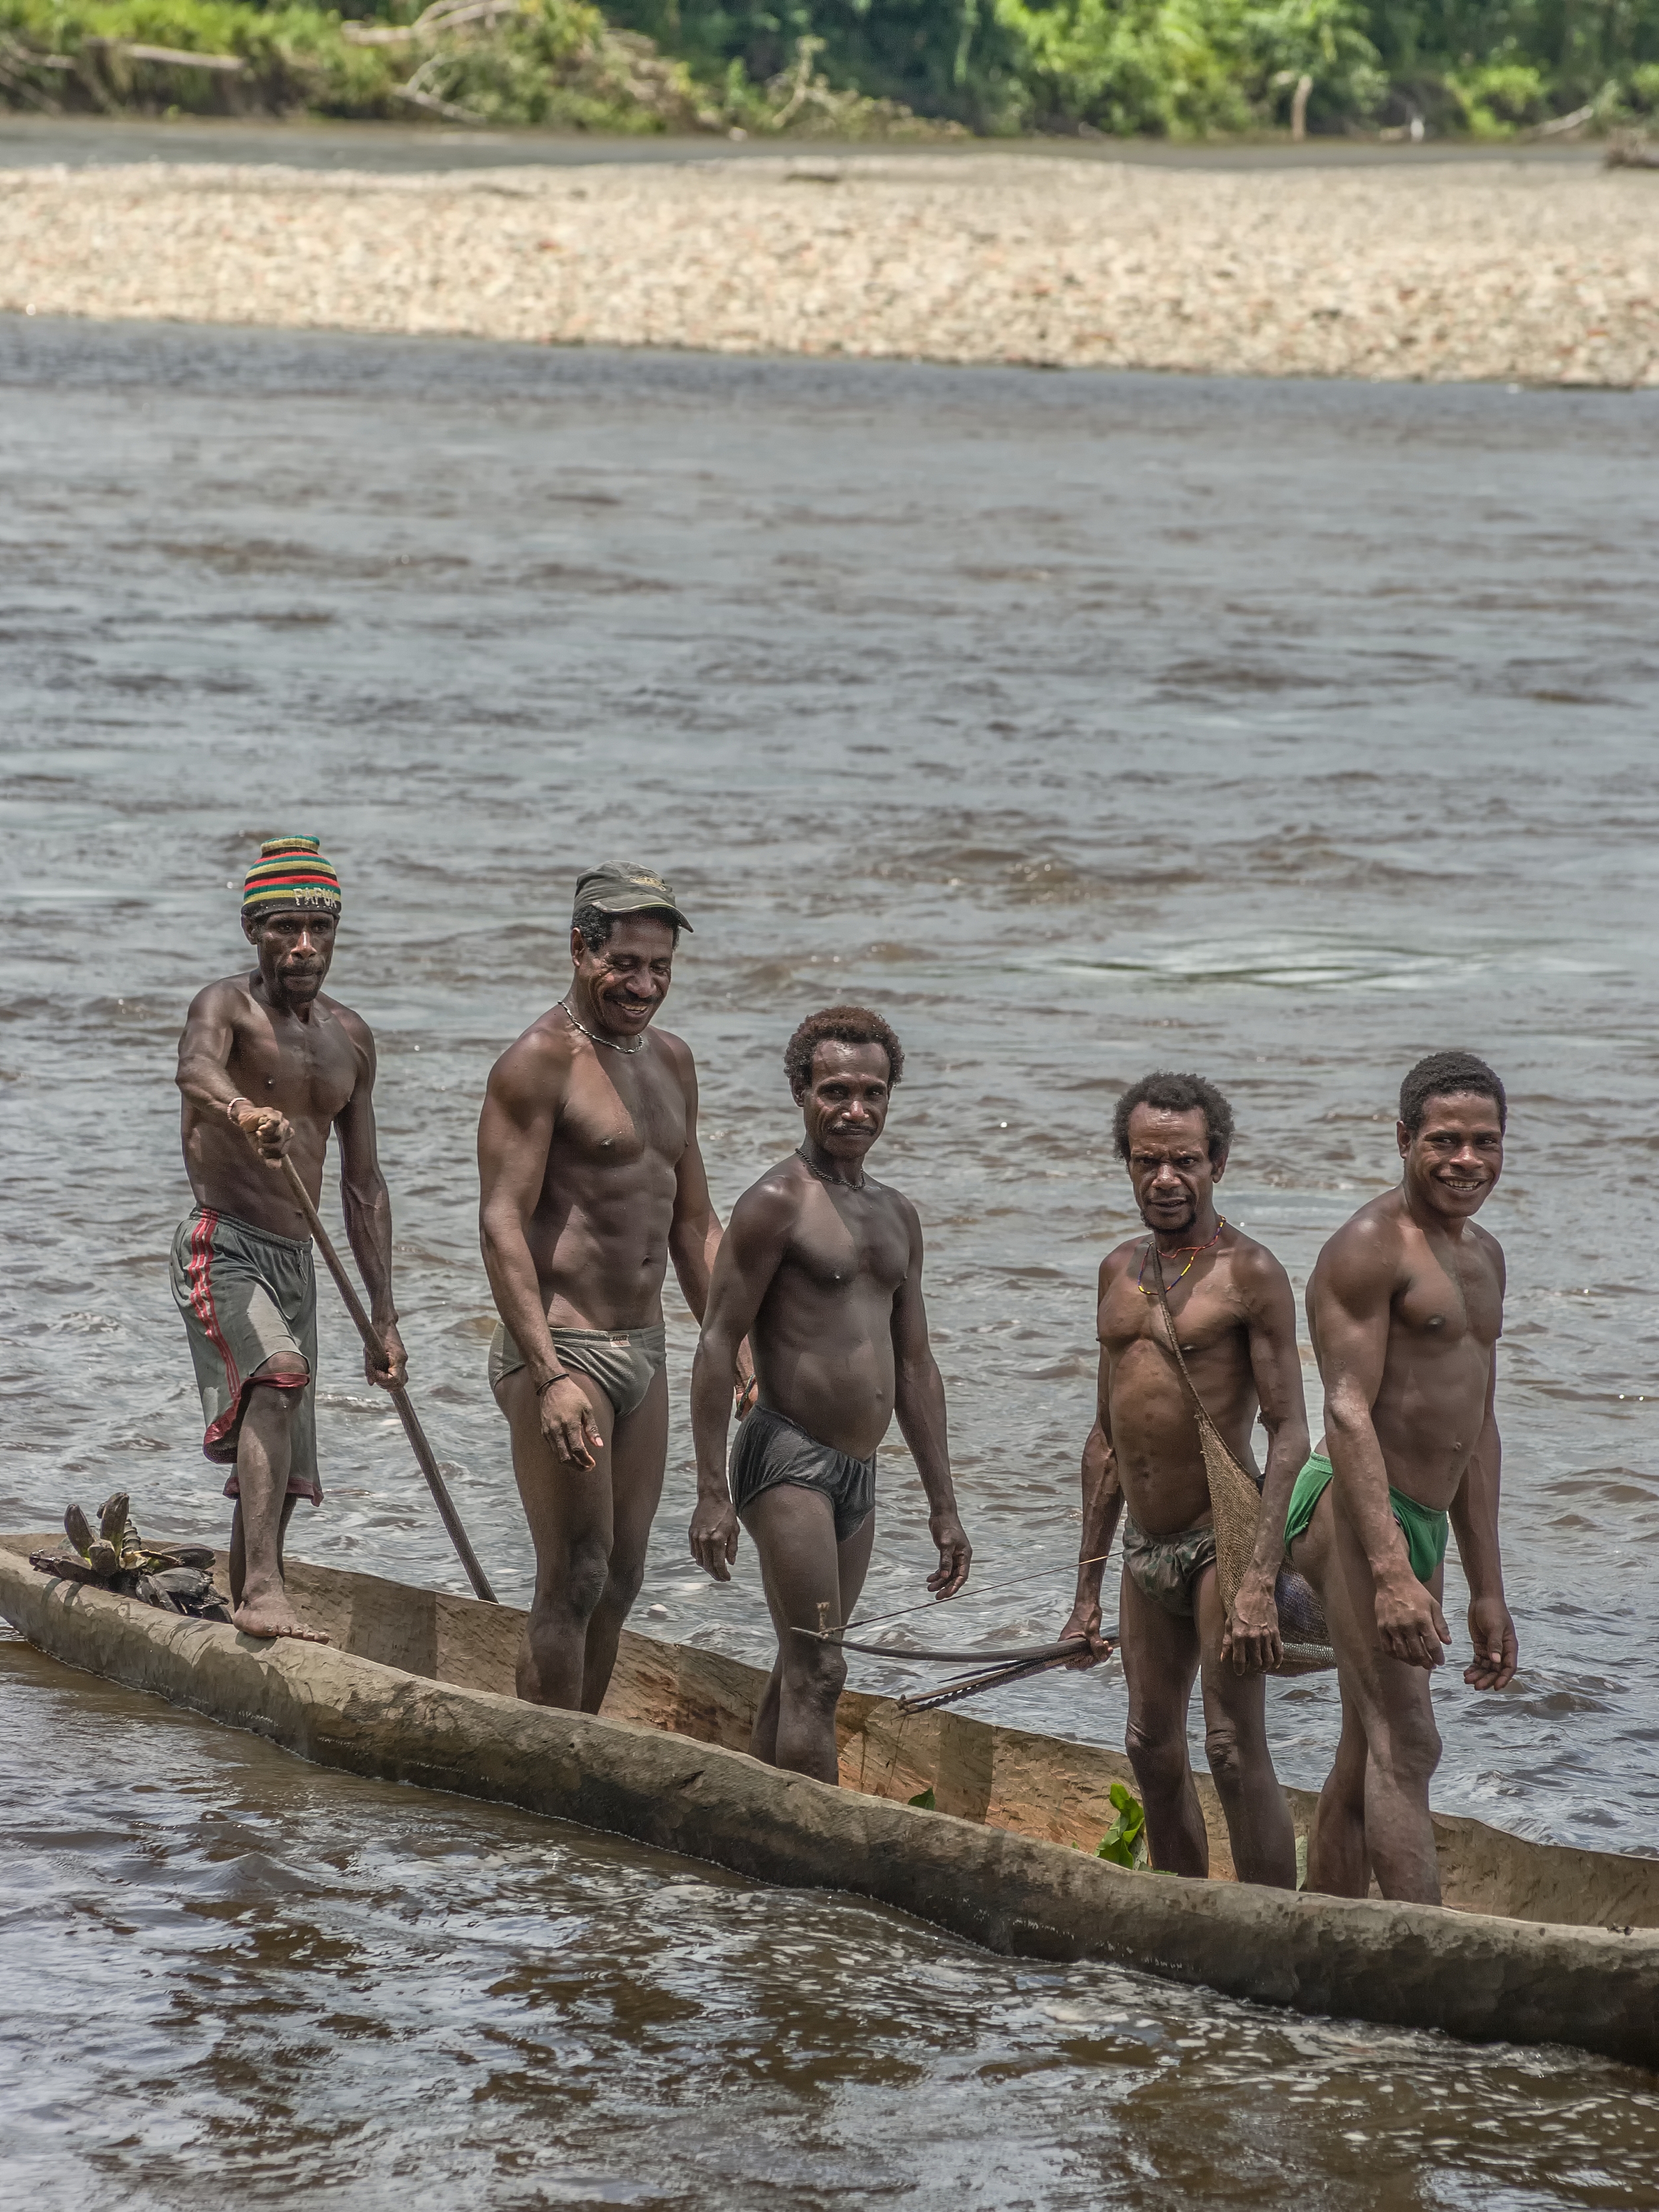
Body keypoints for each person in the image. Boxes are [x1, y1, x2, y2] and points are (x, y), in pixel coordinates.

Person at [478, 862, 751, 1713]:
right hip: (563, 1348)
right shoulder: (537, 1062)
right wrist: (549, 1373)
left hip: (646, 1349)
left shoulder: (673, 1062)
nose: (643, 985)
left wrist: (731, 1340)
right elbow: (501, 1224)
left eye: (659, 967)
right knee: (576, 1574)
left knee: (625, 1575)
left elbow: (694, 1222)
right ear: (578, 948)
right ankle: (547, 1772)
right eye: (624, 964)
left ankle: (581, 1753)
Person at [687, 1006, 972, 1783]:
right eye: (836, 1090)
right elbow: (716, 1342)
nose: (856, 1109)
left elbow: (914, 1365)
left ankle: (757, 1826)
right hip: (787, 1458)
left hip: (857, 1472)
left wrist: (943, 1505)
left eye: (873, 1093)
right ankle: (811, 1880)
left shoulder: (896, 1214)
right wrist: (712, 1490)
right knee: (823, 1670)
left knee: (798, 1665)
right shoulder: (777, 1202)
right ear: (800, 1092)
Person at [1058, 1072, 1307, 1887]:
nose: (1164, 1179)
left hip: (1217, 1542)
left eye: (1184, 1161)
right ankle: (1182, 1908)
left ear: (1218, 1163)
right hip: (1144, 1544)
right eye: (1146, 1161)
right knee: (1147, 1743)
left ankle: (1273, 1927)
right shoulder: (1116, 1271)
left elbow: (1290, 1431)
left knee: (1232, 1749)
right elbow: (1105, 1439)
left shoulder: (1250, 1273)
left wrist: (1258, 1579)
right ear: (1126, 1164)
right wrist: (1085, 1592)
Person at [1289, 1049, 1518, 1905]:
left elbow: (1476, 1430)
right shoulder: (1367, 1247)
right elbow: (1347, 1414)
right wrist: (1390, 1570)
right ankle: (1420, 1946)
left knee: (1367, 1741)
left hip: (1418, 1513)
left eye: (1485, 1142)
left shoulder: (1485, 1254)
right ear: (1403, 1139)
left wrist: (1486, 1587)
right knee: (1407, 1740)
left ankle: (1331, 1926)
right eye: (1445, 1140)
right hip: (1353, 1505)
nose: (1467, 1160)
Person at [172, 836, 406, 1643]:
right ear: (252, 929)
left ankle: (251, 1606)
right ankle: (266, 1594)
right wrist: (244, 1112)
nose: (303, 945)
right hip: (225, 1242)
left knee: (287, 1431)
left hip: (297, 1262)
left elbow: (363, 1185)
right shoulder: (225, 1007)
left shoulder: (352, 1037)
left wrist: (384, 1316)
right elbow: (197, 1075)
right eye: (284, 927)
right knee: (276, 1379)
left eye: (319, 928)